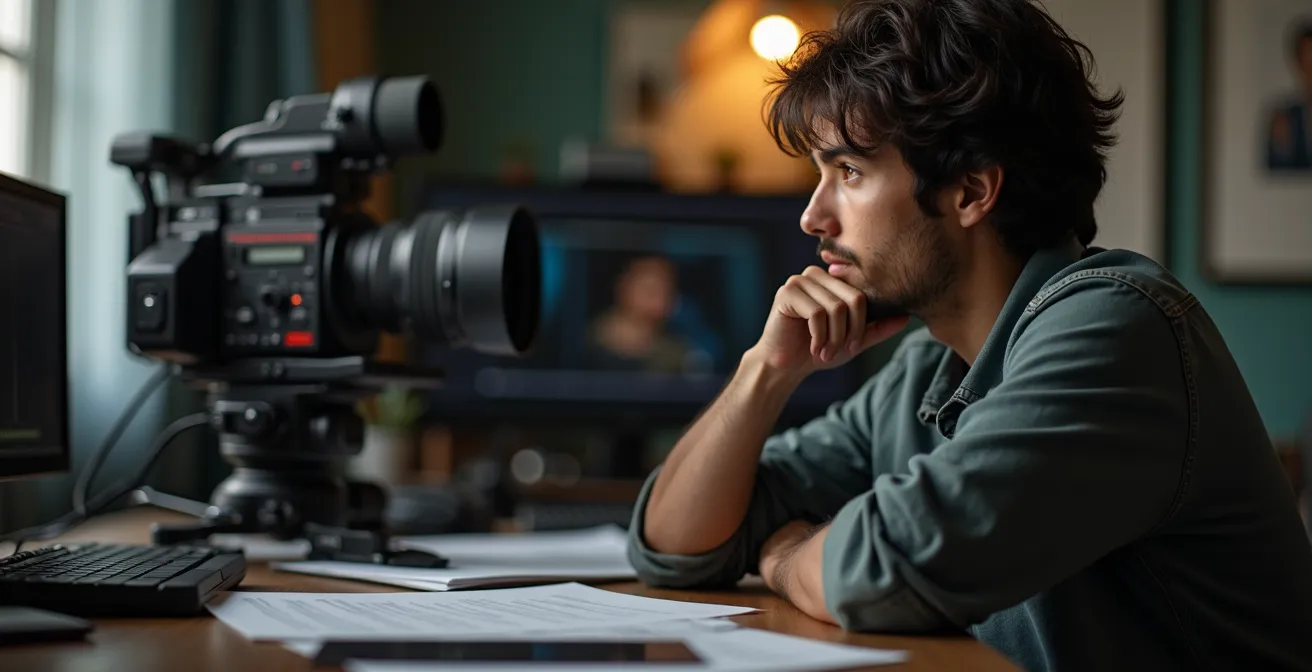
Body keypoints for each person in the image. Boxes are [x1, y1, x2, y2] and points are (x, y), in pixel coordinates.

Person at [625, 1, 1312, 670]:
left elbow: (888, 566)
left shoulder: (1117, 327)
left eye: (849, 172)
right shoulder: (929, 367)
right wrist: (766, 371)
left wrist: (780, 557)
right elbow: (676, 545)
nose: (813, 216)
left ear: (971, 192)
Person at [588, 255, 696, 374]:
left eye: (666, 288)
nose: (659, 296)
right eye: (650, 288)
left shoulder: (677, 352)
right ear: (623, 286)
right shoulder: (591, 342)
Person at [1266, 19, 1312, 171]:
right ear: (1297, 62)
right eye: (1306, 58)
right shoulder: (1284, 117)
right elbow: (1274, 174)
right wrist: (1281, 148)